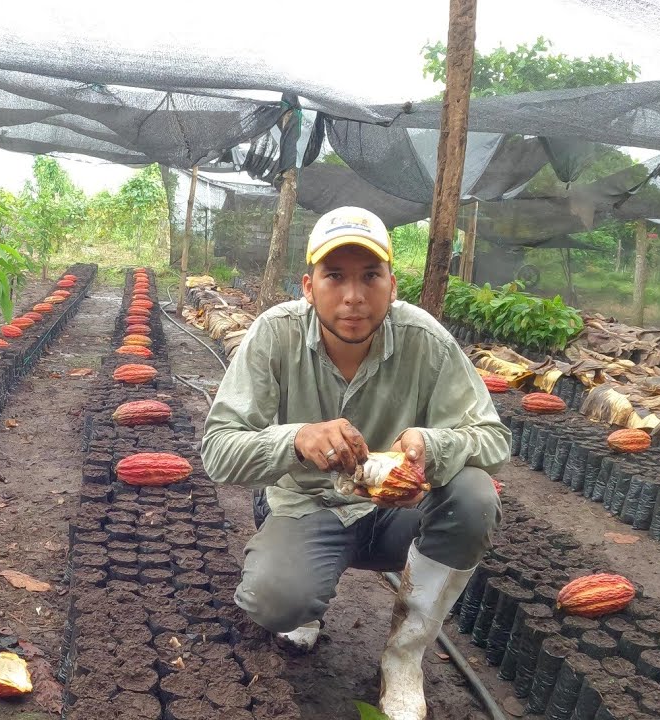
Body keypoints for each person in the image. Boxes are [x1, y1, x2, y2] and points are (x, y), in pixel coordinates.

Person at [200, 207, 510, 720]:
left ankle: (404, 657)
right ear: (307, 285)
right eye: (335, 276)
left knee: (475, 495)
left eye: (370, 276)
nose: (353, 296)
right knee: (276, 602)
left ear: (392, 283)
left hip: (400, 515)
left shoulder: (426, 340)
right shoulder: (273, 336)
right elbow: (218, 449)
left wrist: (433, 445)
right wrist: (295, 438)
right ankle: (303, 597)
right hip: (309, 504)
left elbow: (495, 439)